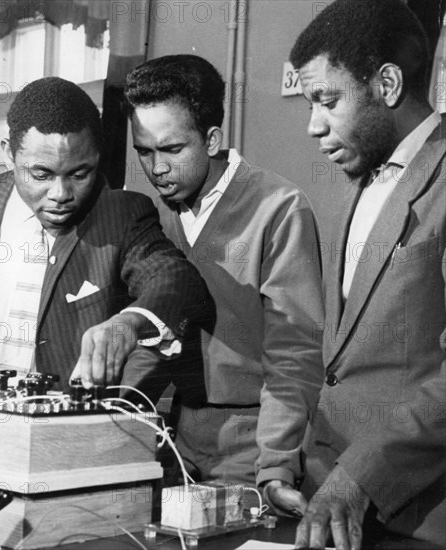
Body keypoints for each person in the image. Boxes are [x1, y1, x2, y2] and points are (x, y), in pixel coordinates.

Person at [0, 76, 211, 394]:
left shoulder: (121, 214)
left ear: (96, 156)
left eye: (80, 173)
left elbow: (176, 279)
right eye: (41, 174)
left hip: (72, 433)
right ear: (9, 154)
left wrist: (130, 322)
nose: (61, 194)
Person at [125, 55, 324, 494]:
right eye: (144, 151)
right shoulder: (149, 214)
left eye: (172, 149)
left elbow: (293, 354)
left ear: (212, 139)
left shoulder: (279, 208)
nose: (156, 168)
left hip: (252, 442)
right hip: (166, 439)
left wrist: (275, 466)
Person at [288, 0, 446, 548]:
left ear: (387, 83)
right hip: (333, 507)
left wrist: (360, 478)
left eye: (327, 101)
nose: (313, 125)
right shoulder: (361, 182)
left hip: (417, 518)